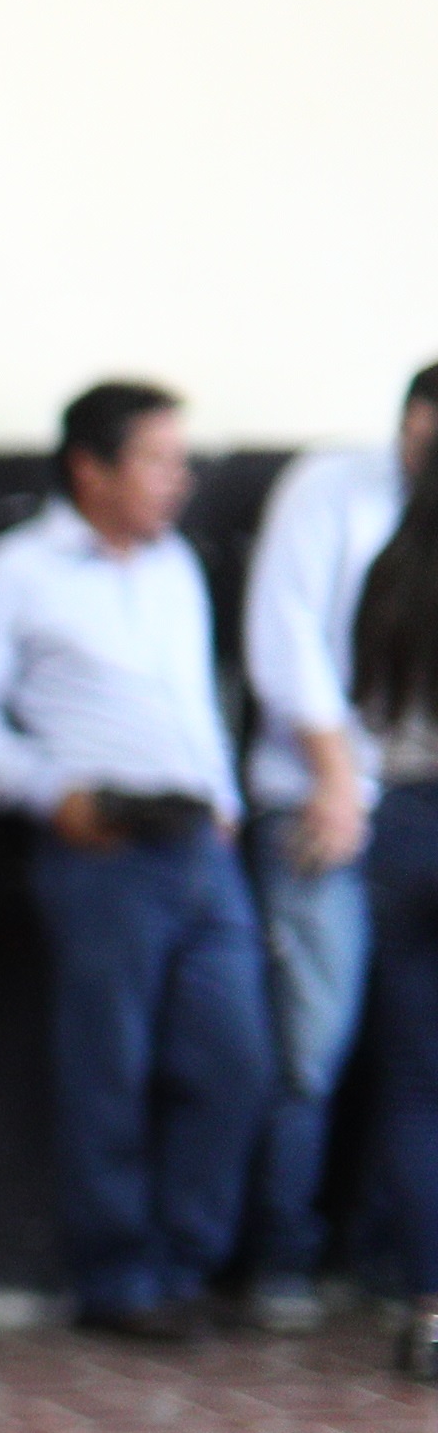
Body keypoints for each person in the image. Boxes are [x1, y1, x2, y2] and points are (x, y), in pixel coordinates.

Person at [0, 380, 275, 1341]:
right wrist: (55, 797)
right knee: (108, 1070)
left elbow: (201, 703)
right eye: (160, 459)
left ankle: (190, 1262)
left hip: (201, 845)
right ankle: (120, 1280)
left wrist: (226, 806)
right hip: (102, 851)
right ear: (91, 467)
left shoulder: (174, 570)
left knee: (235, 1060)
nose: (182, 480)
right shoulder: (17, 574)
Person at [240, 365, 438, 1319]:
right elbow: (287, 642)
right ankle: (292, 1260)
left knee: (408, 1064)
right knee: (319, 1047)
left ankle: (404, 1277)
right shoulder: (344, 500)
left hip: (398, 812)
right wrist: (335, 781)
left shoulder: (399, 558)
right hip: (346, 803)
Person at [348, 459, 438, 1381]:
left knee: (419, 1086)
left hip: (408, 824)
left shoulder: (395, 565)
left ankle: (430, 1308)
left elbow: (365, 705)